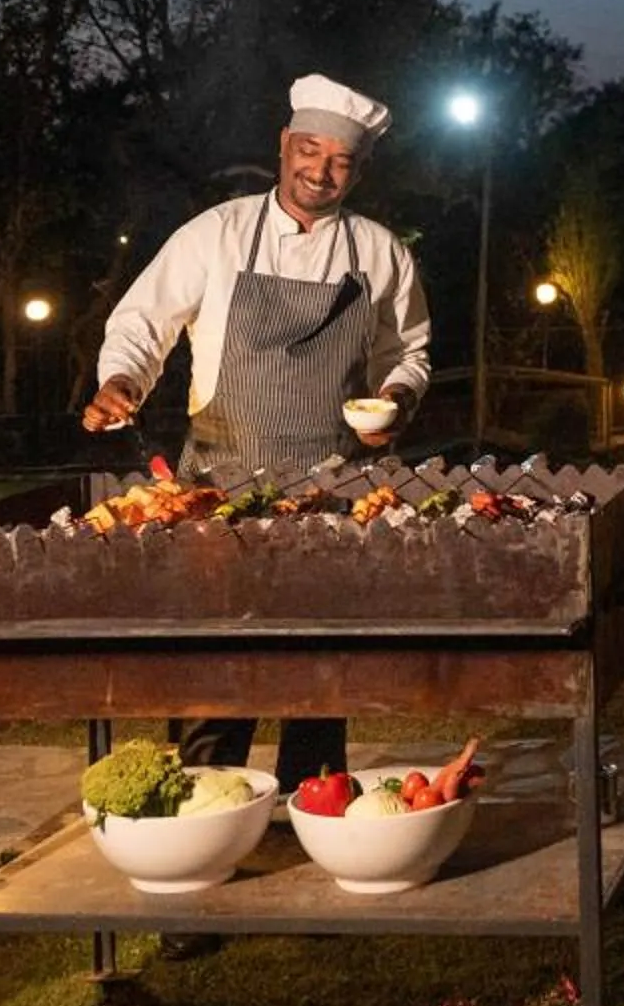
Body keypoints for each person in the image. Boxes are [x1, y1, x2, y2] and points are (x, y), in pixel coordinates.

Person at [81, 72, 431, 801]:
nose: (320, 171)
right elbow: (144, 322)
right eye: (309, 151)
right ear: (283, 145)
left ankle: (314, 816)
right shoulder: (217, 233)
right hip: (217, 488)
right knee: (217, 667)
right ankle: (206, 812)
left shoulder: (380, 251)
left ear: (359, 169)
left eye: (340, 160)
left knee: (320, 669)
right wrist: (123, 382)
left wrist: (397, 397)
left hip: (336, 490)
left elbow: (409, 351)